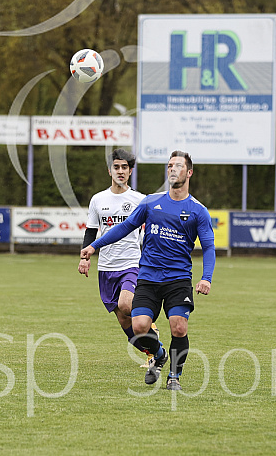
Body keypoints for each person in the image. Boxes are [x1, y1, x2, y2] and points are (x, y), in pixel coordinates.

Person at [80, 151, 215, 391]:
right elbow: (125, 227)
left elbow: (208, 247)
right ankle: (159, 354)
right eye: (170, 165)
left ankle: (174, 376)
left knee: (178, 326)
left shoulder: (198, 210)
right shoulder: (151, 202)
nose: (173, 170)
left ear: (189, 172)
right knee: (140, 326)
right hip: (149, 277)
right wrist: (93, 246)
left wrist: (206, 278)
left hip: (178, 278)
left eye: (179, 166)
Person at [77, 149, 160, 368]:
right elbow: (91, 231)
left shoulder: (140, 200)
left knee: (126, 304)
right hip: (106, 266)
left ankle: (150, 323)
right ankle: (153, 353)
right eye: (117, 167)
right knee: (124, 320)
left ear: (130, 171)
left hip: (132, 263)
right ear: (109, 170)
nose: (120, 171)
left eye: (125, 167)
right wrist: (85, 258)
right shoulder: (98, 199)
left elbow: (151, 231)